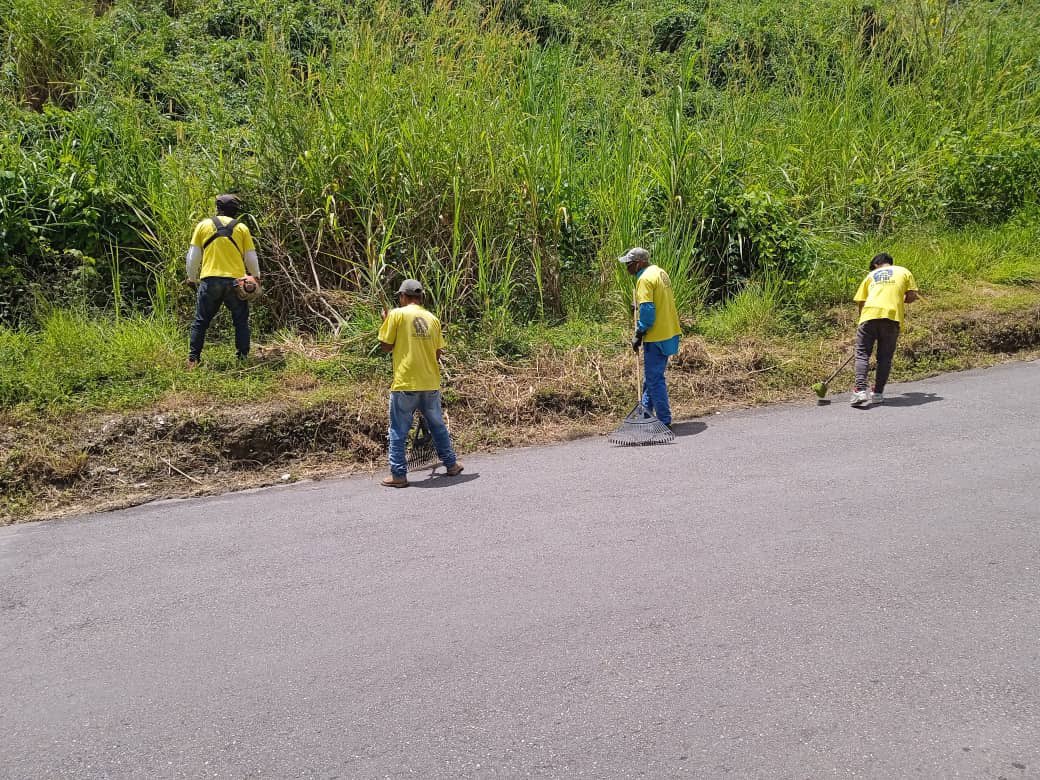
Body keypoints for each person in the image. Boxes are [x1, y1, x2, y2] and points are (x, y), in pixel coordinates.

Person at [377, 279, 463, 488]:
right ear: (421, 297)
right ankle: (451, 464)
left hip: (406, 383)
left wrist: (385, 321)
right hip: (430, 382)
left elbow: (386, 346)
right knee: (437, 425)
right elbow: (438, 352)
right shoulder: (432, 319)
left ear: (403, 297)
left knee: (398, 430)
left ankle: (398, 475)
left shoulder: (396, 314)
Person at [185, 193, 260, 368]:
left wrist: (191, 277)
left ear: (217, 208)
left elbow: (193, 256)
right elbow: (251, 257)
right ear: (236, 210)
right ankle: (242, 359)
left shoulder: (203, 225)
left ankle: (193, 359)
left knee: (201, 321)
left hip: (210, 280)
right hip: (236, 282)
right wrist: (256, 276)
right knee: (240, 321)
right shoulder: (241, 228)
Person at [620, 247, 681, 427]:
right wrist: (637, 304)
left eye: (629, 264)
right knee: (651, 377)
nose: (627, 268)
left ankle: (663, 420)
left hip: (656, 335)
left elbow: (648, 311)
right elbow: (656, 300)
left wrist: (639, 332)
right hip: (669, 330)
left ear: (639, 263)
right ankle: (645, 416)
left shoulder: (644, 279)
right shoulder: (659, 272)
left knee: (654, 379)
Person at [851, 252, 919, 407]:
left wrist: (862, 319)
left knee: (862, 354)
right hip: (892, 317)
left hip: (869, 316)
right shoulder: (904, 271)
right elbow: (912, 296)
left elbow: (861, 301)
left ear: (875, 265)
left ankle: (860, 390)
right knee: (884, 357)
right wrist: (901, 298)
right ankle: (878, 393)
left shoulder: (871, 276)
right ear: (889, 263)